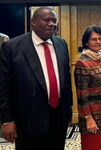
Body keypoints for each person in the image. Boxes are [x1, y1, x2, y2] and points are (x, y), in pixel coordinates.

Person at [0, 7, 72, 150]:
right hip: (28, 119)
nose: (51, 23)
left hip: (58, 117)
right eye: (46, 20)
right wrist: (7, 120)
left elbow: (66, 79)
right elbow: (3, 86)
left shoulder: (61, 44)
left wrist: (68, 108)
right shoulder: (12, 46)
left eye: (54, 20)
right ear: (33, 22)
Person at [74, 25, 101, 150]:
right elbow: (82, 95)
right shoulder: (82, 62)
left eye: (100, 39)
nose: (97, 42)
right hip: (93, 118)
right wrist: (89, 119)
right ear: (86, 42)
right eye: (93, 39)